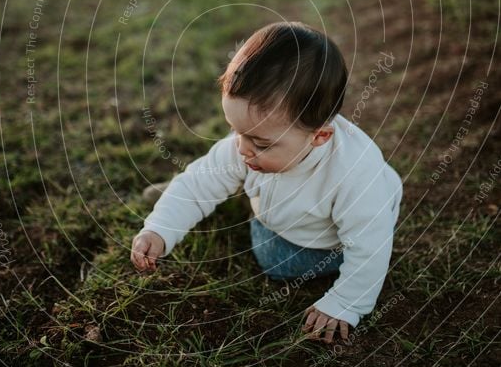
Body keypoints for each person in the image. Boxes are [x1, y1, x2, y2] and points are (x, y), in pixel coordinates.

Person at [130, 21, 403, 344]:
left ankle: (241, 199)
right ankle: (215, 196)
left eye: (260, 142)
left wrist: (345, 303)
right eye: (237, 131)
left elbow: (371, 247)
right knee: (205, 180)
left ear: (320, 136)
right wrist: (160, 228)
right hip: (281, 202)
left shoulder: (354, 176)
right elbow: (198, 181)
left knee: (275, 258)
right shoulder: (251, 144)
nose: (244, 147)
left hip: (319, 242)